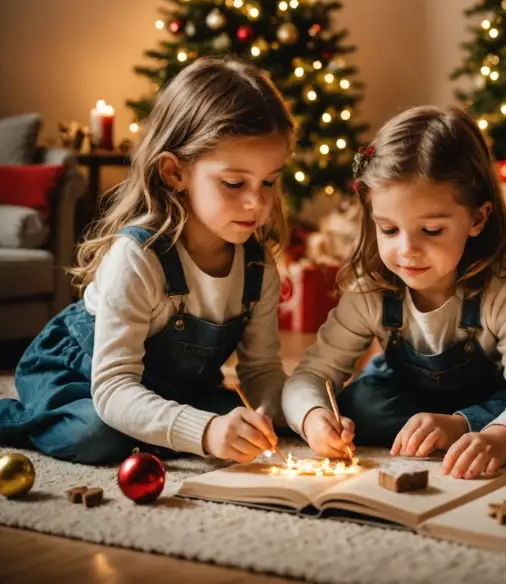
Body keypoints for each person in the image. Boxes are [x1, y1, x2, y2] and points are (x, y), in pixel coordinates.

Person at [0, 58, 295, 464]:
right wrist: (205, 432)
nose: (256, 202)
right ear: (175, 172)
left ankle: (158, 432)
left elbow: (261, 372)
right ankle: (17, 417)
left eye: (269, 181)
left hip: (172, 391)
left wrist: (303, 416)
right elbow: (113, 388)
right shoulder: (137, 256)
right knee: (98, 436)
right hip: (82, 380)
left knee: (245, 417)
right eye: (234, 183)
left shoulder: (258, 268)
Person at [283, 106, 506, 479]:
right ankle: (430, 430)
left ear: (477, 218)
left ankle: (458, 427)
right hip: (409, 398)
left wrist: (494, 436)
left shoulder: (503, 286)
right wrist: (313, 419)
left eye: (431, 231)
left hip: (490, 398)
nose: (407, 250)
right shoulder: (371, 288)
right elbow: (311, 375)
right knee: (362, 402)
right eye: (388, 229)